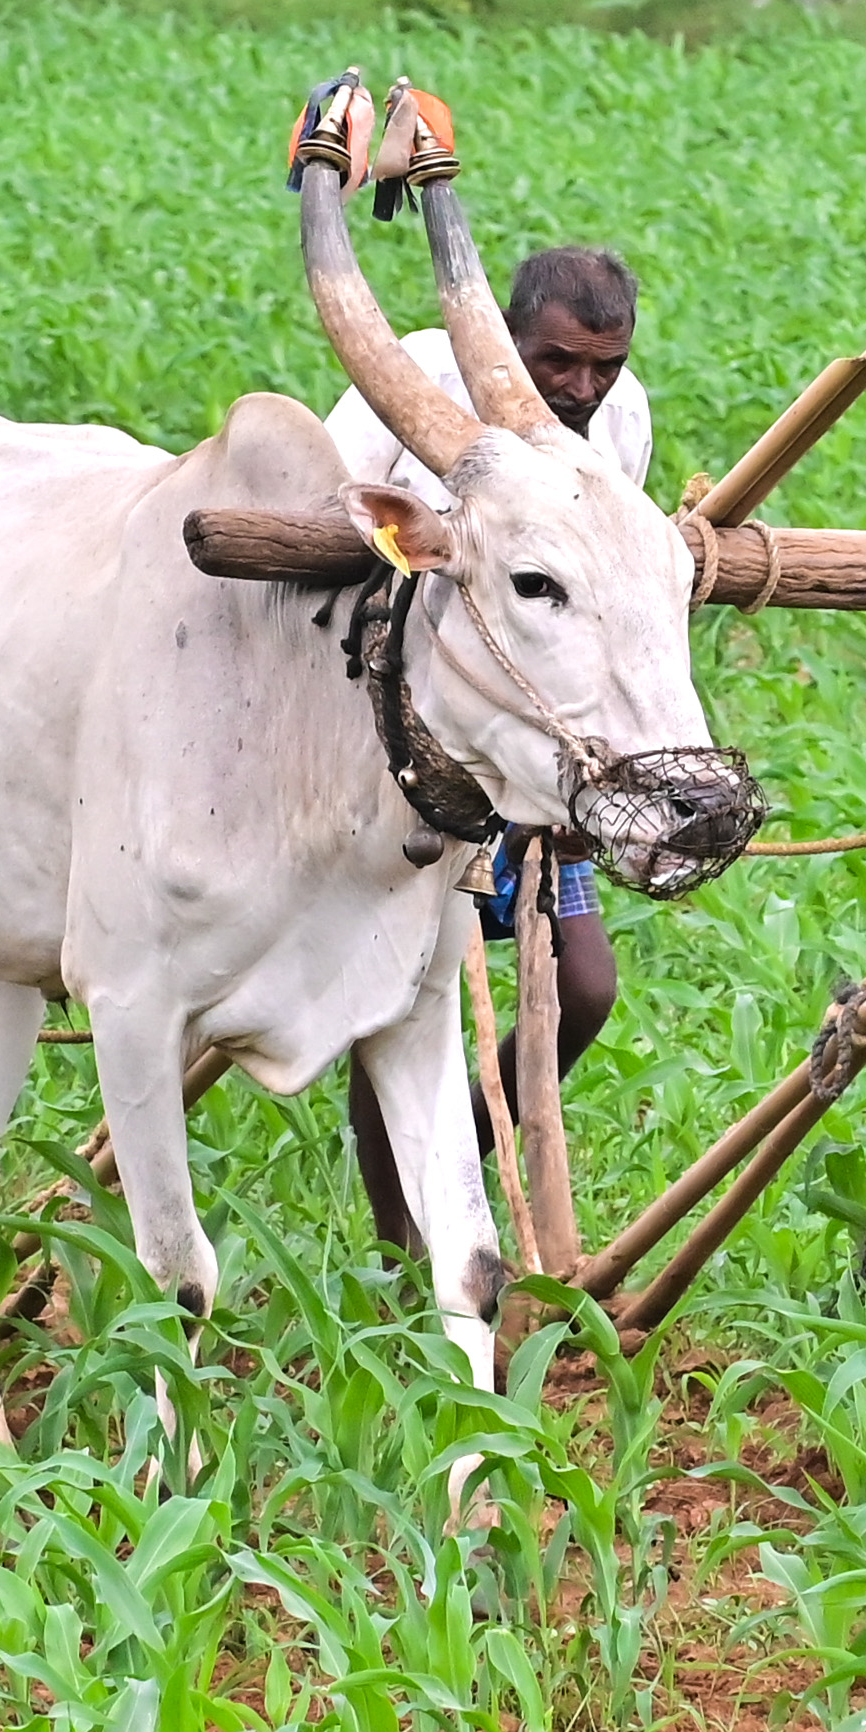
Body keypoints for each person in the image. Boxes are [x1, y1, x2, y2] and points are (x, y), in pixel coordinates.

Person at [333, 244, 649, 1243]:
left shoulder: (617, 422)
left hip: (535, 751)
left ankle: (452, 1160)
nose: (581, 387)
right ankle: (404, 1236)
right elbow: (339, 551)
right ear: (508, 345)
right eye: (558, 360)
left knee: (586, 985)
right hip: (399, 747)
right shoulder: (408, 394)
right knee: (402, 1005)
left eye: (603, 363)